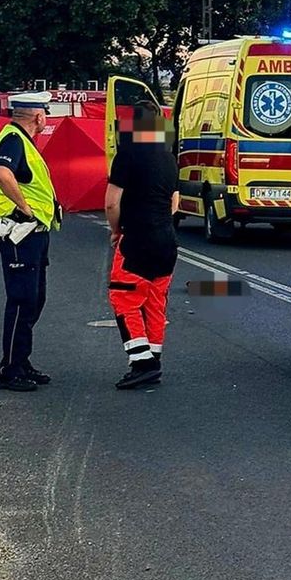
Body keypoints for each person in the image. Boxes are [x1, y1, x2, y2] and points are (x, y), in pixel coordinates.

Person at [0, 91, 61, 392]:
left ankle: (21, 360)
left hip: (33, 233)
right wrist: (25, 208)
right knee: (22, 299)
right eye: (45, 114)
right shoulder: (13, 139)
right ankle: (11, 368)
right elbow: (3, 174)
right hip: (20, 231)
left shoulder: (20, 139)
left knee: (35, 298)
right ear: (39, 116)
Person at [105, 100, 180, 389]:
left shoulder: (127, 155)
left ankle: (141, 362)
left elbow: (112, 202)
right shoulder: (169, 158)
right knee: (155, 302)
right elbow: (174, 203)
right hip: (166, 240)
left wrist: (115, 230)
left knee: (124, 298)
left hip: (136, 239)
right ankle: (154, 359)